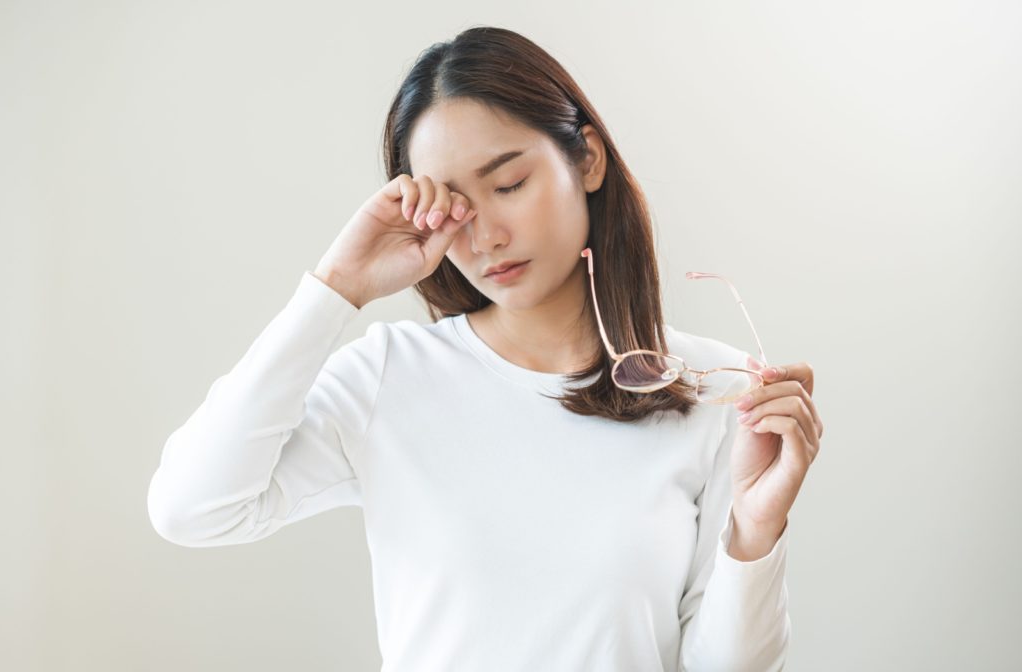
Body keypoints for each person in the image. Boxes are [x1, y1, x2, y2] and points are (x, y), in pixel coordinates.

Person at [147, 25, 823, 672]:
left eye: (508, 185)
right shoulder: (391, 376)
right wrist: (336, 289)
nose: (486, 237)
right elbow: (192, 508)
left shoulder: (709, 390)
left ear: (586, 158)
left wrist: (756, 532)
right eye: (455, 210)